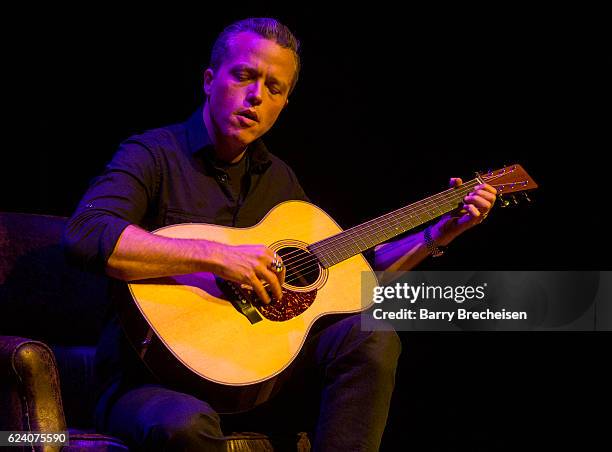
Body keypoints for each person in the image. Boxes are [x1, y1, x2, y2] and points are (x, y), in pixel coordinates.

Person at [63, 17, 497, 451]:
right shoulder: (153, 154)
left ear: (285, 103)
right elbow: (86, 233)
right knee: (185, 425)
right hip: (150, 381)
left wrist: (438, 234)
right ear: (210, 80)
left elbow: (353, 283)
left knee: (373, 335)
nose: (256, 96)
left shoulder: (281, 183)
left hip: (256, 382)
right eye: (245, 76)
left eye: (274, 88)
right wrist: (216, 256)